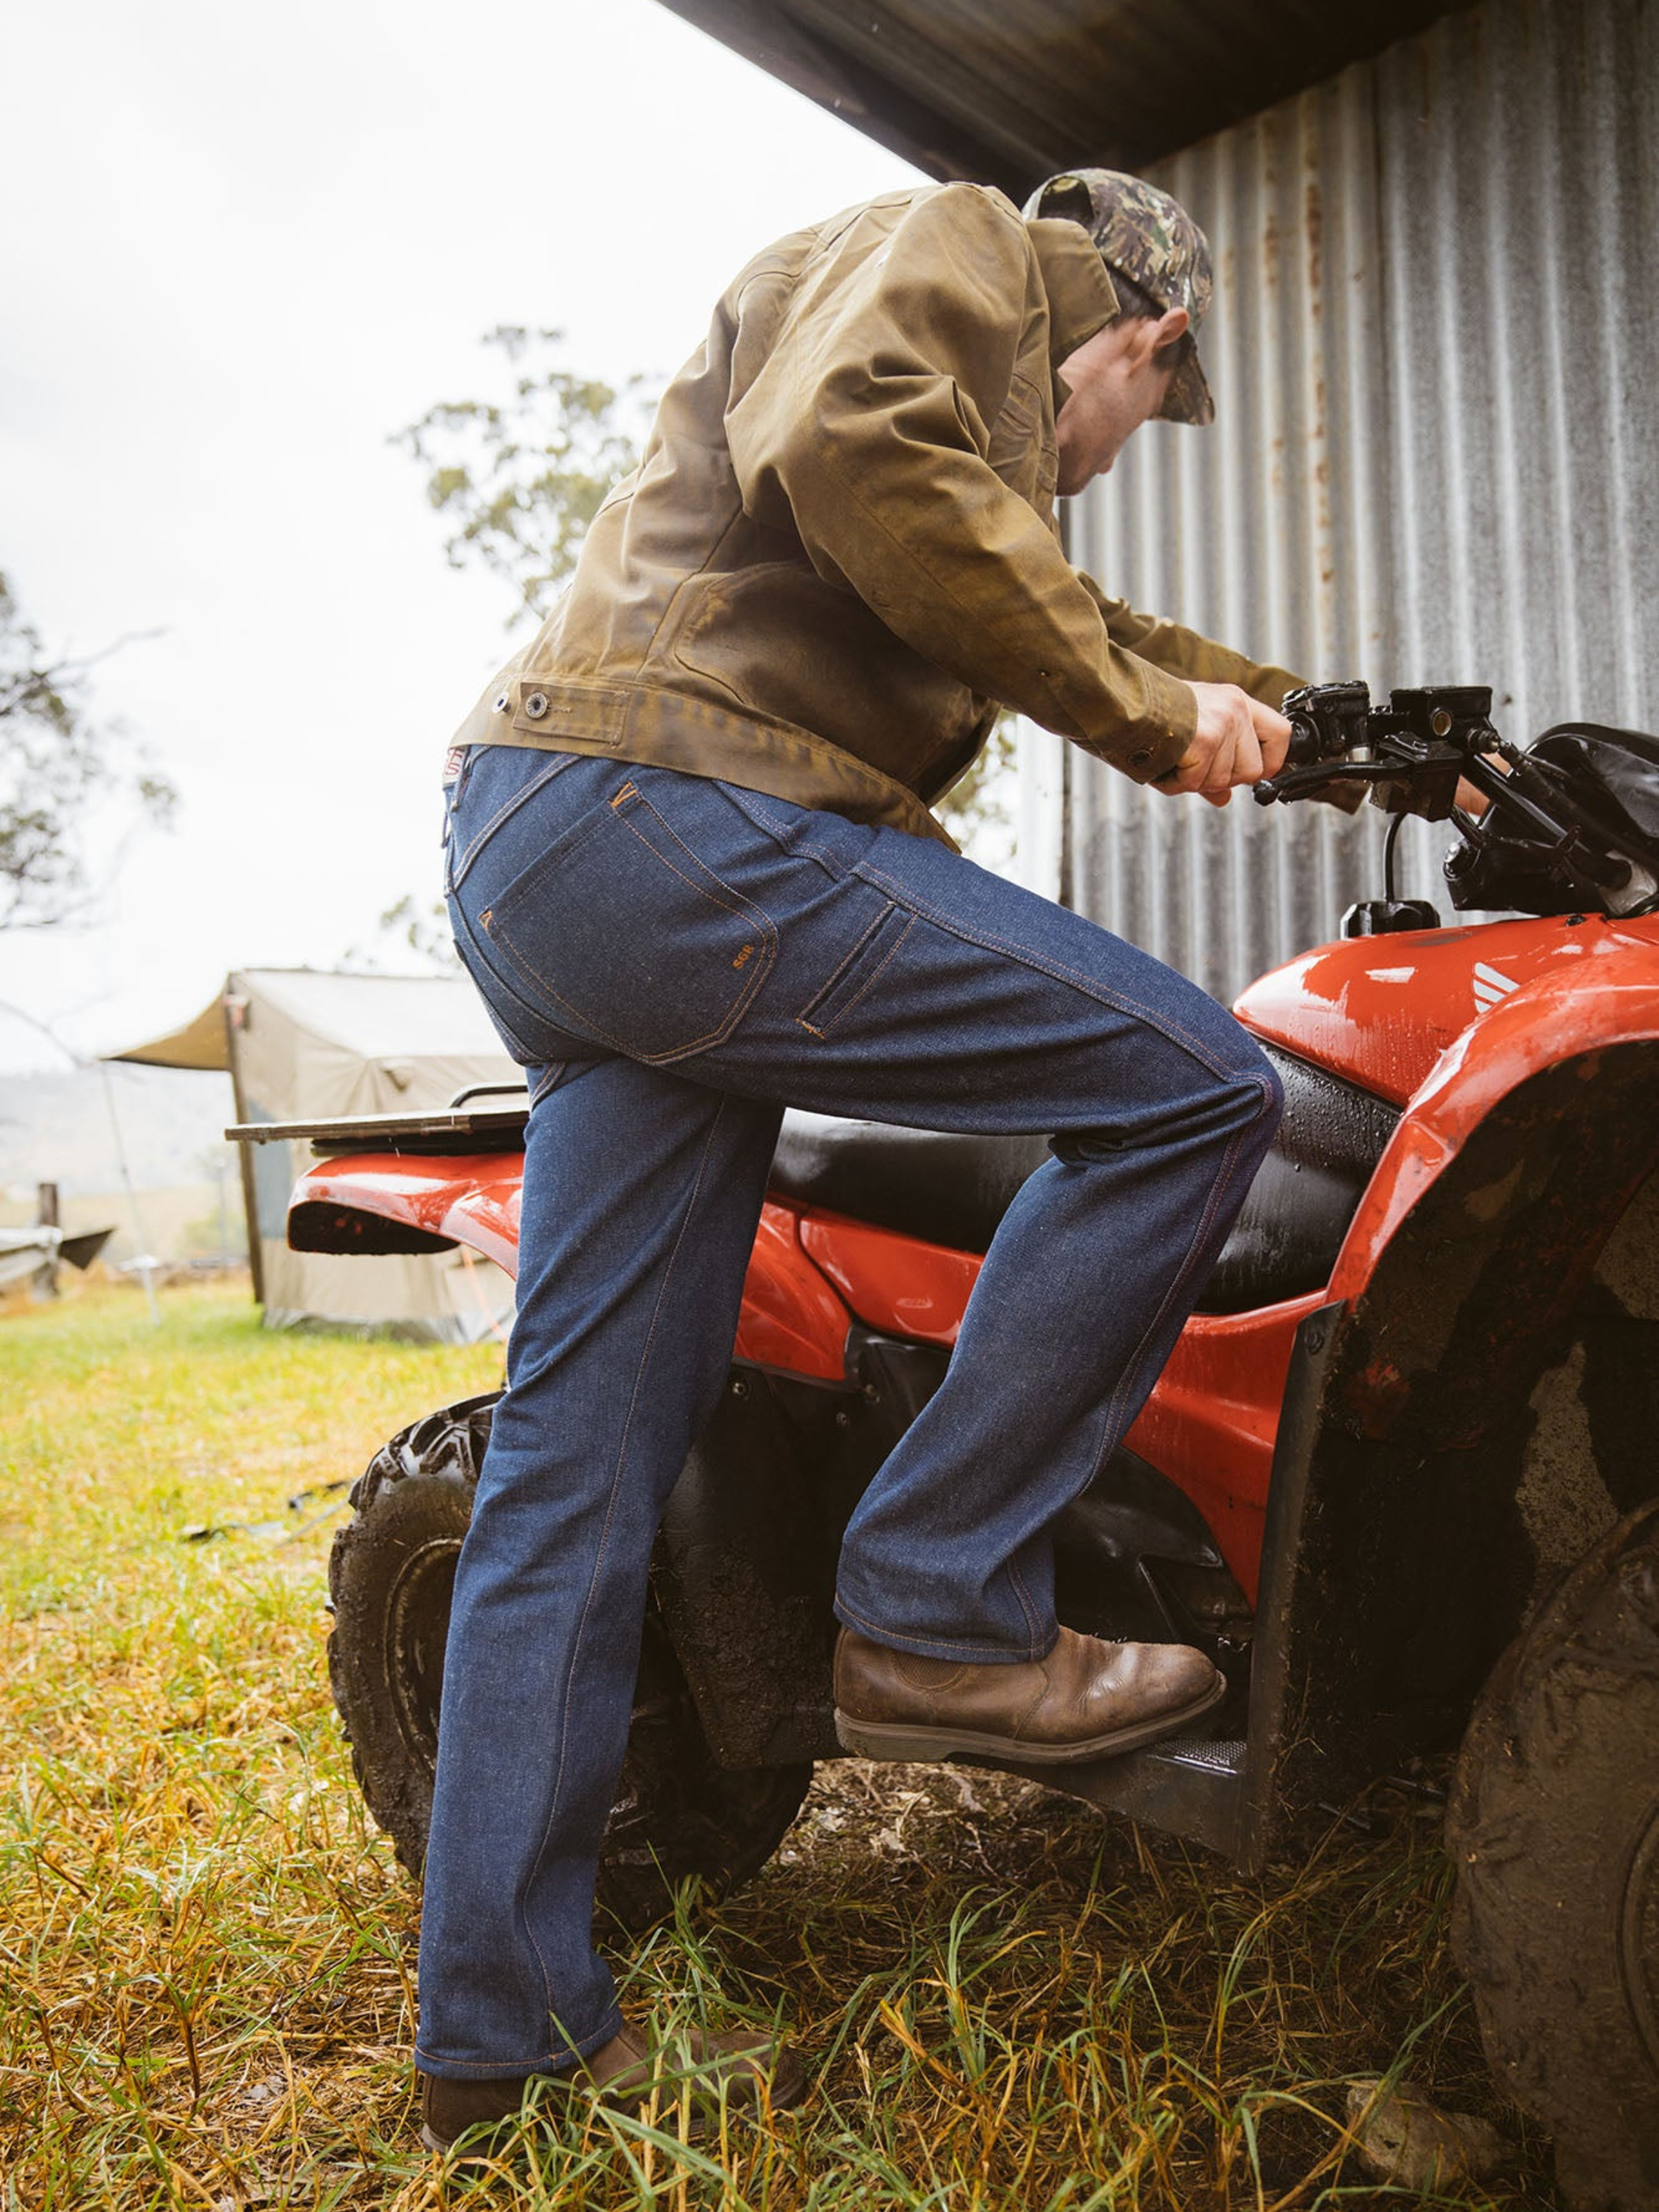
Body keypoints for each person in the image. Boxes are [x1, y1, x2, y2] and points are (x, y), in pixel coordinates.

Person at [416, 167, 1304, 2154]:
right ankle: (933, 1601)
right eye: (1144, 413)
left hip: (556, 841)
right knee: (1191, 1085)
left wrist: (1306, 720)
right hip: (675, 819)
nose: (1109, 454)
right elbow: (864, 450)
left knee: (580, 1463)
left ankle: (499, 2028)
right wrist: (1162, 726)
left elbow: (1046, 593)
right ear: (1141, 337)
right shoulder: (970, 252)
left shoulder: (939, 396)